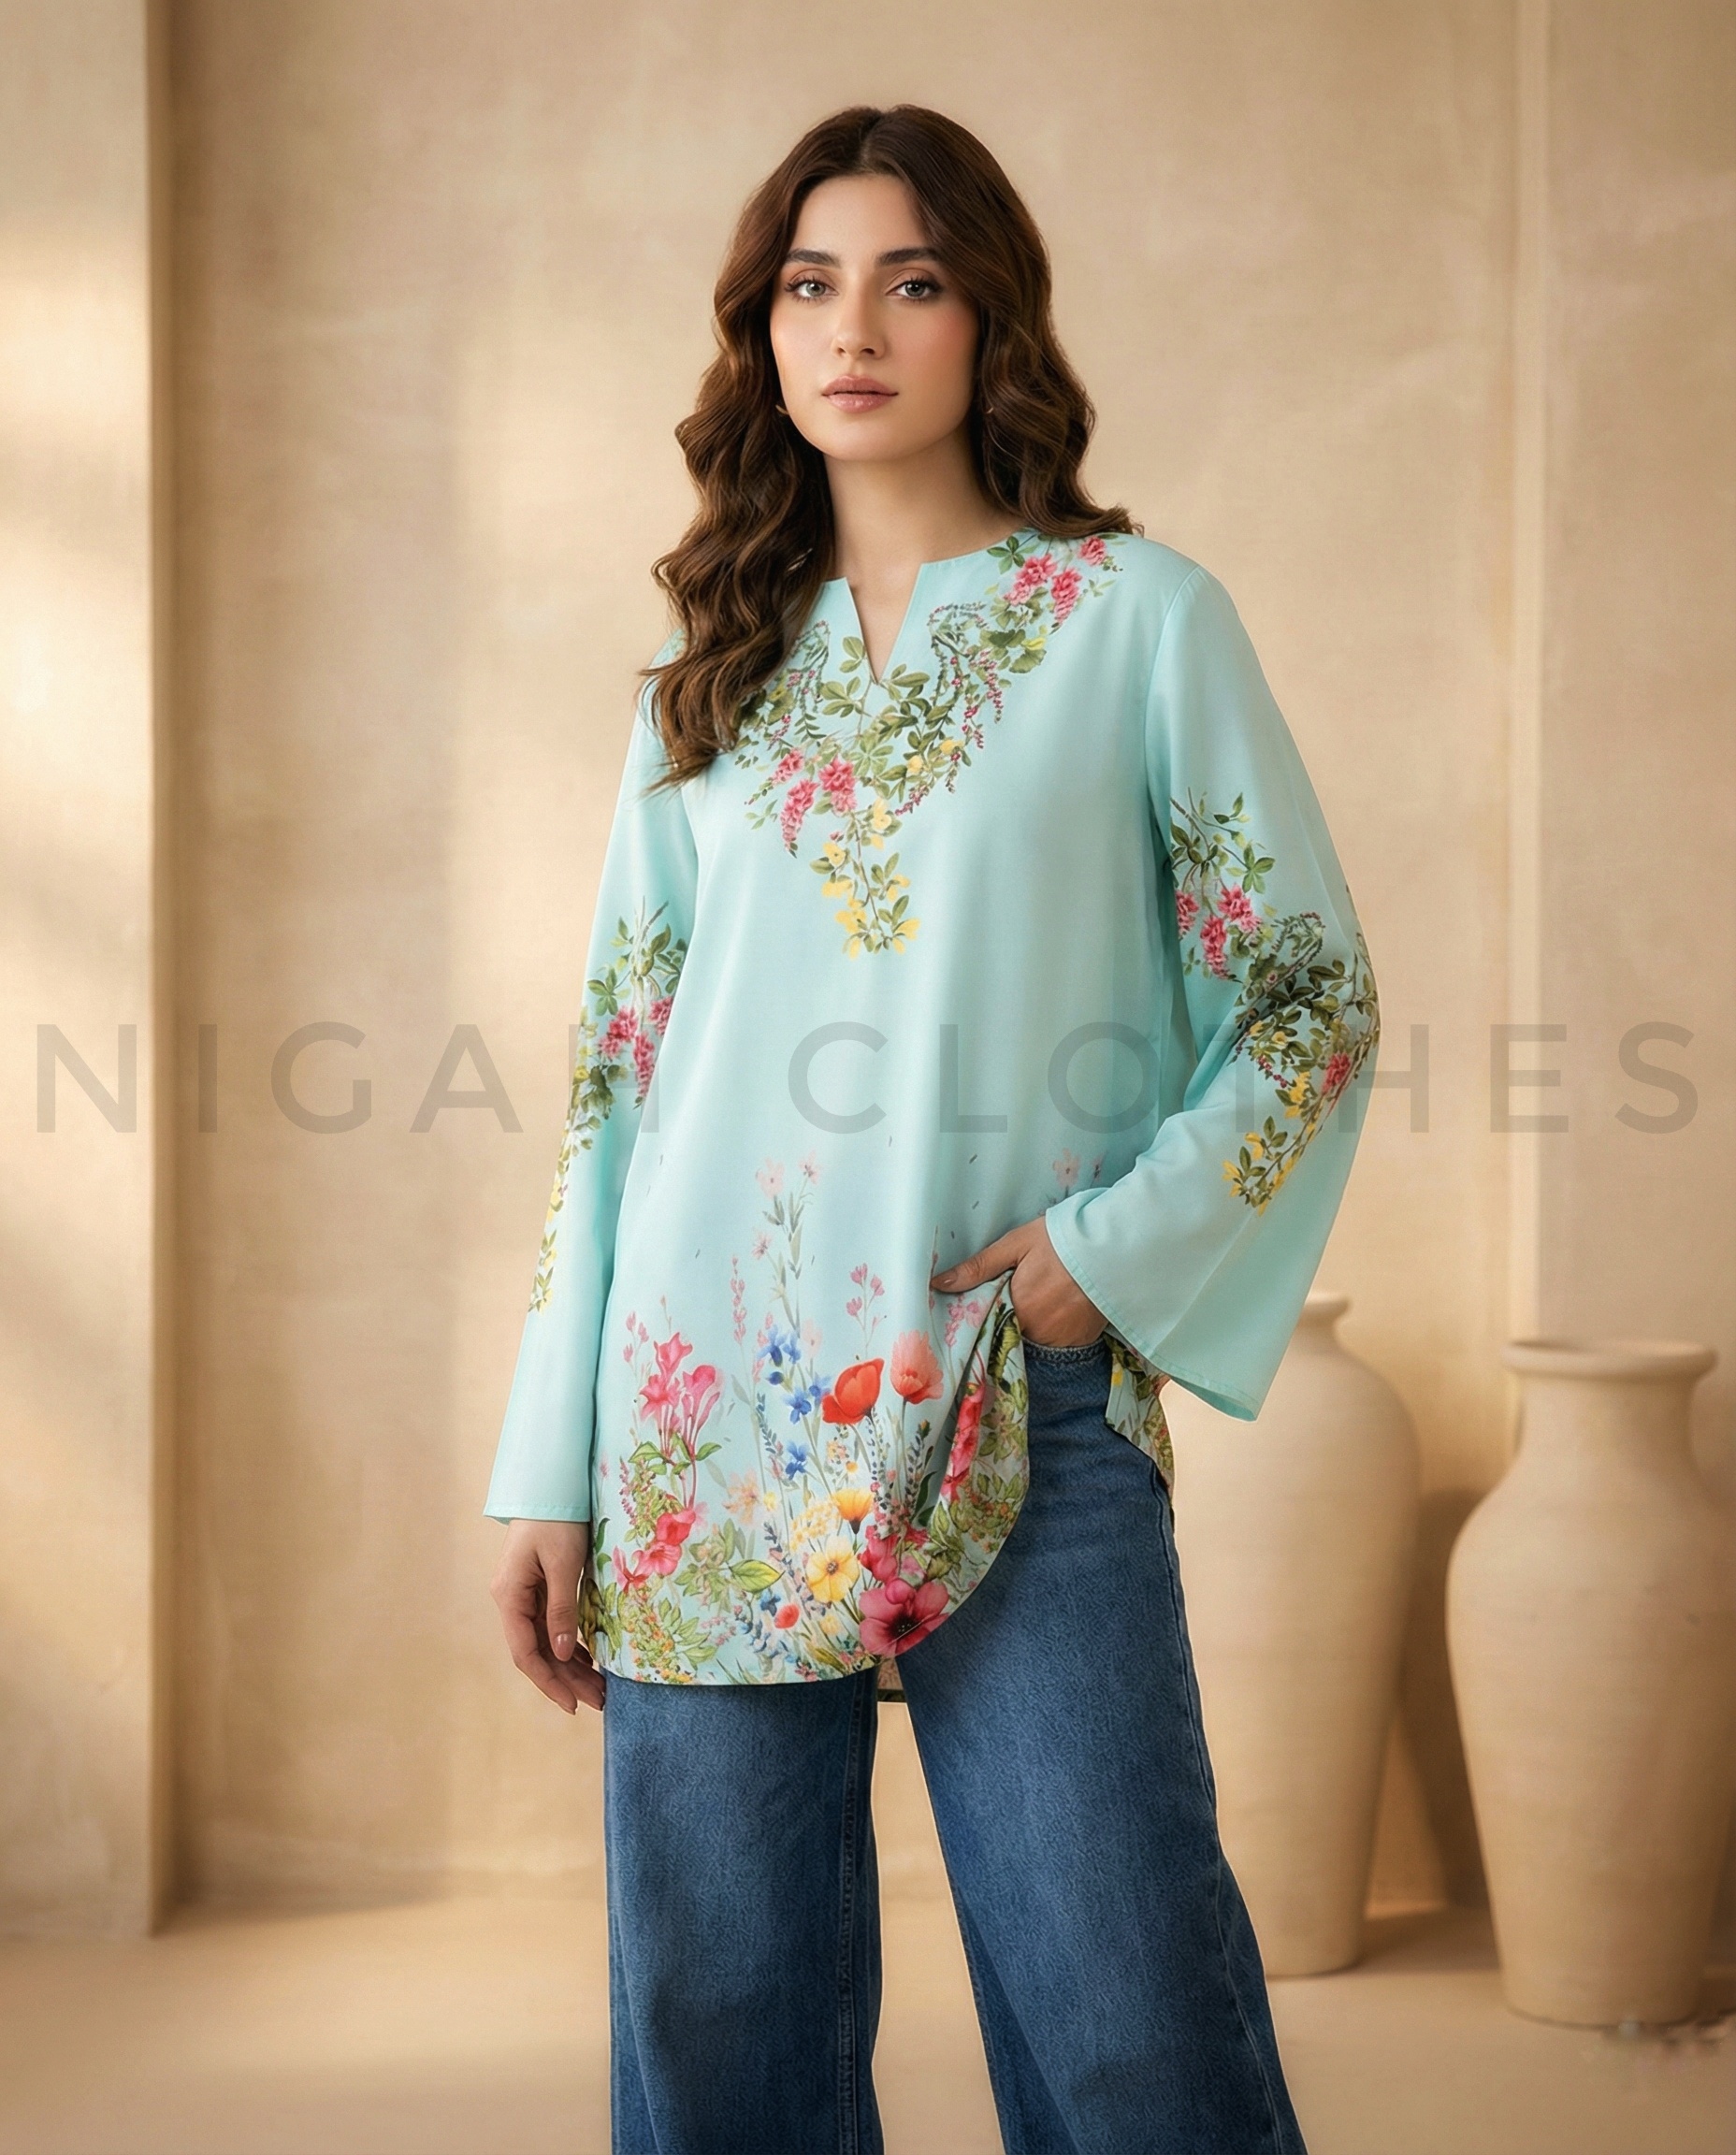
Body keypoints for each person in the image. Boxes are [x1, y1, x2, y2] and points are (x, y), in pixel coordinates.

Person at [486, 102, 1379, 2155]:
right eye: (810, 285)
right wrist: (547, 1459)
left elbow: (1307, 995)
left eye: (911, 280)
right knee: (721, 2044)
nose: (855, 328)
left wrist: (1110, 1262)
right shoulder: (704, 679)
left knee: (1133, 2024)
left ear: (991, 319)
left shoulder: (1134, 619)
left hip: (1011, 1393)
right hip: (698, 1417)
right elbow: (616, 1080)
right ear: (762, 331)